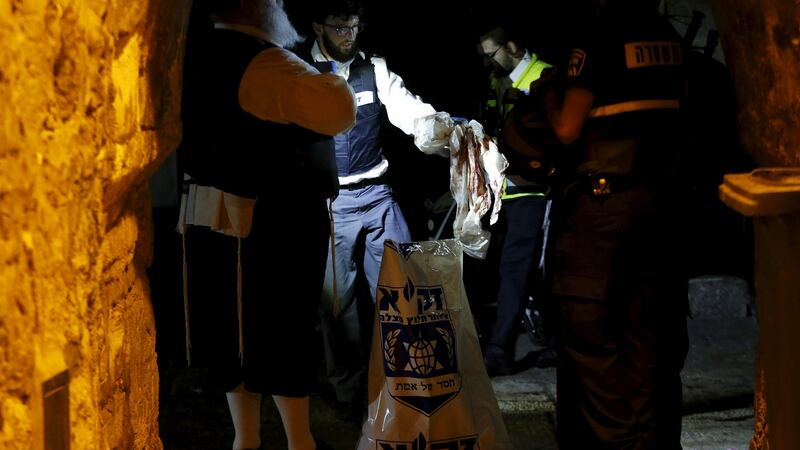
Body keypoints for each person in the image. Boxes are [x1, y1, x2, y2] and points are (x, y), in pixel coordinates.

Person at [177, 0, 356, 448]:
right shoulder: (262, 59)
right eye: (272, 0)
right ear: (253, 7)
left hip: (221, 217)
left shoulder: (201, 53)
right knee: (280, 330)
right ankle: (297, 441)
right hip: (271, 224)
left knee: (236, 333)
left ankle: (249, 439)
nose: (280, 5)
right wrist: (326, 73)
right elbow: (338, 107)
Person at [542, 0, 689, 448]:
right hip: (662, 205)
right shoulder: (667, 35)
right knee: (647, 339)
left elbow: (567, 129)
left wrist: (548, 93)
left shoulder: (598, 35)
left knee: (592, 339)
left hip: (604, 210)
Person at [306, 0, 454, 419]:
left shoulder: (375, 68)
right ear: (318, 27)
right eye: (339, 27)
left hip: (378, 196)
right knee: (338, 307)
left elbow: (411, 111)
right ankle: (350, 393)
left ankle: (407, 383)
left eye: (354, 27)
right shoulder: (301, 71)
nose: (348, 36)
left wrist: (442, 129)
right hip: (331, 203)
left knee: (403, 290)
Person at [476, 25, 557, 376]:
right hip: (504, 189)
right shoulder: (498, 80)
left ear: (511, 46)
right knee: (524, 269)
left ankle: (499, 350)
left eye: (491, 54)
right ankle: (552, 340)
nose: (487, 63)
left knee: (516, 267)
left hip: (533, 189)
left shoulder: (544, 76)